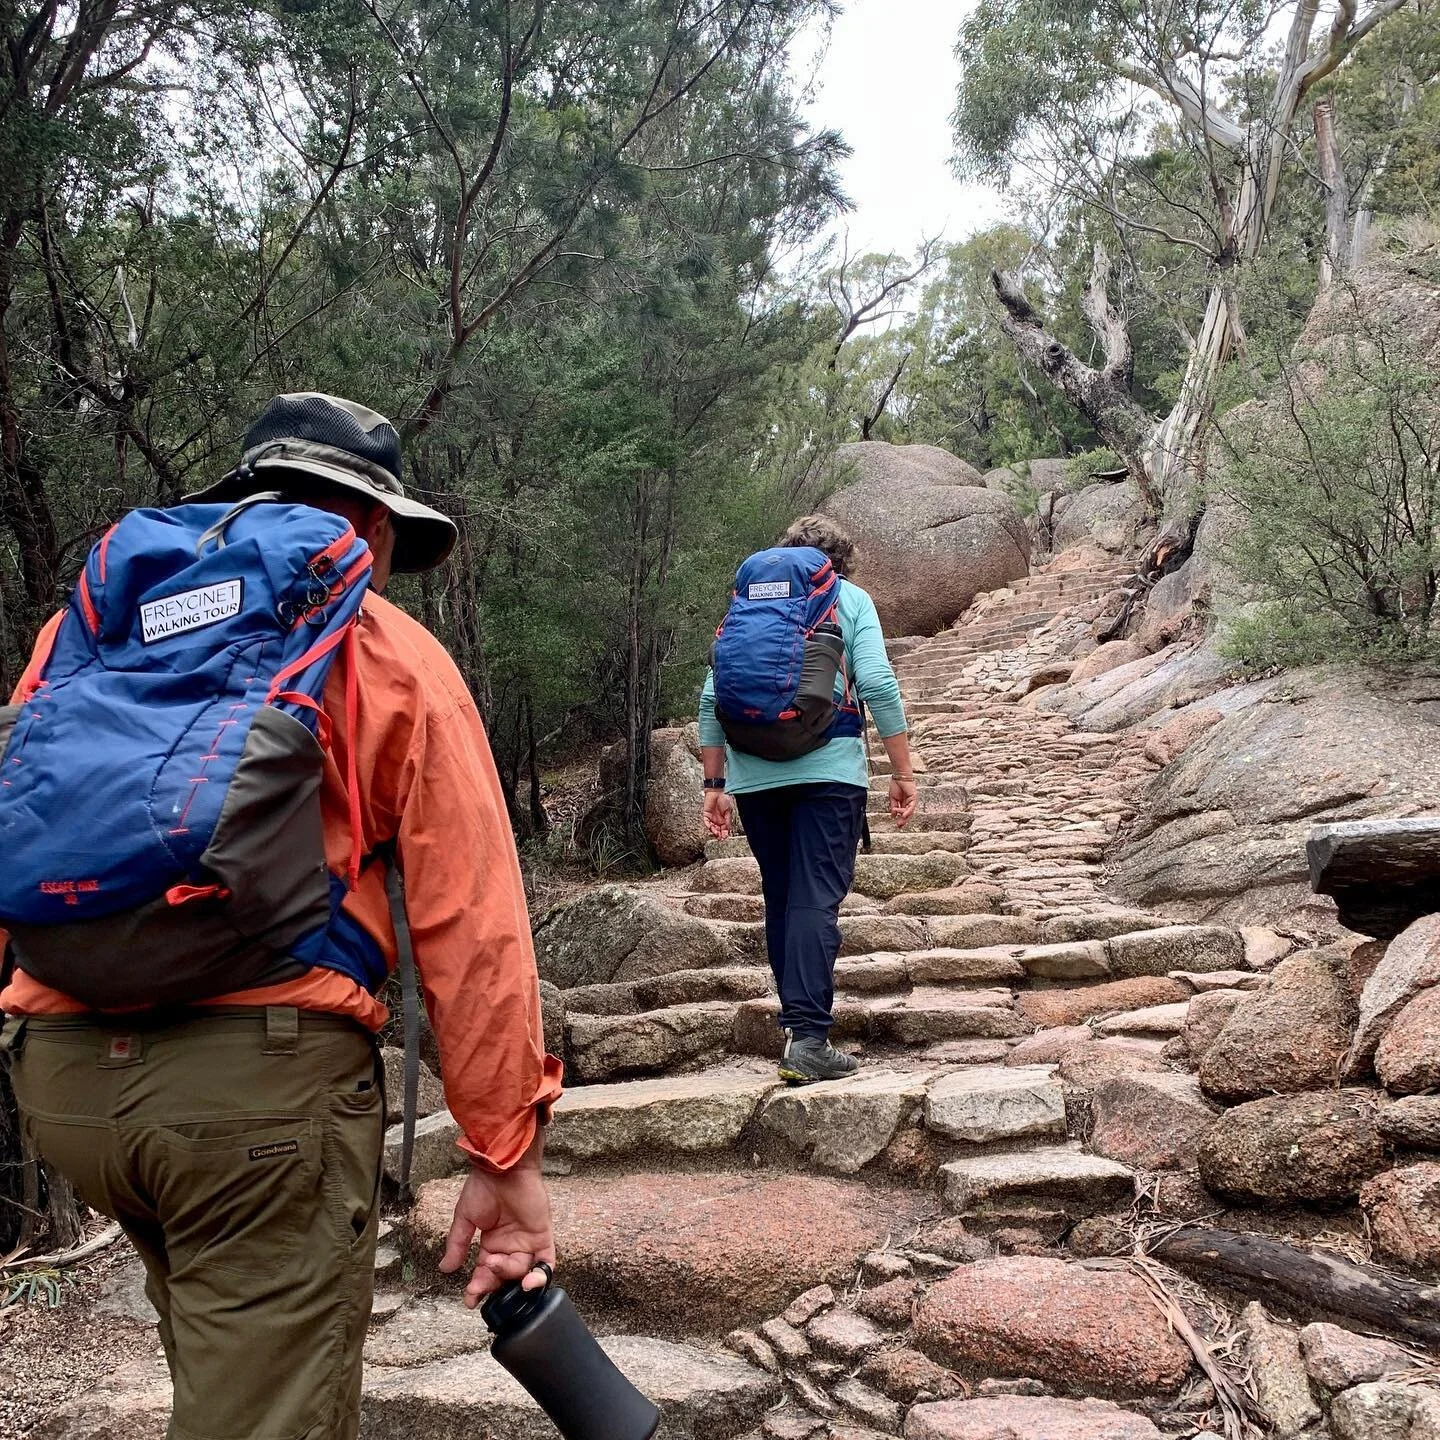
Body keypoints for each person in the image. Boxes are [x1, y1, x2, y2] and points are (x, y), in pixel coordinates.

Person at [0, 394, 563, 1440]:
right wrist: (505, 1156)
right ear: (376, 526)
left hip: (65, 1081)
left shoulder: (90, 633)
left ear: (242, 497)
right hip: (256, 1102)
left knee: (227, 1382)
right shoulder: (389, 651)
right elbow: (472, 925)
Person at [699, 515, 916, 1083]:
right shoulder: (848, 598)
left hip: (755, 775)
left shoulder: (750, 604)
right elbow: (878, 683)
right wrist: (902, 772)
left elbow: (711, 697)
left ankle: (799, 1030)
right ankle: (809, 1039)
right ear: (838, 562)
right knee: (815, 898)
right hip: (830, 772)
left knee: (782, 897)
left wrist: (715, 786)